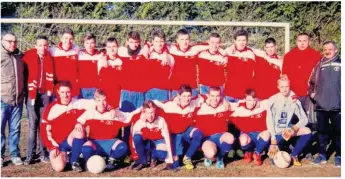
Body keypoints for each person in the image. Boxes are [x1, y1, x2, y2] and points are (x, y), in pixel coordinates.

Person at [79, 89, 140, 170]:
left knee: (123, 147)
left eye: (104, 100)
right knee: (86, 149)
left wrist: (142, 109)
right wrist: (78, 124)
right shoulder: (89, 113)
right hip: (95, 142)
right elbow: (78, 122)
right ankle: (89, 162)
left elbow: (129, 116)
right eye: (99, 100)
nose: (102, 103)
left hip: (111, 142)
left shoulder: (114, 113)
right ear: (95, 101)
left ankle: (112, 160)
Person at [40, 81, 89, 172]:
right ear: (58, 92)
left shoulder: (78, 103)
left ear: (71, 92)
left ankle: (73, 161)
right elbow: (44, 131)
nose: (65, 95)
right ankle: (67, 155)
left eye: (68, 92)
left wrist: (80, 122)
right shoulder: (51, 107)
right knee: (59, 168)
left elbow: (97, 104)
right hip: (57, 144)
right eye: (62, 92)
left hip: (71, 139)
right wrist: (52, 147)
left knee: (79, 129)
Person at [153, 85, 204, 170]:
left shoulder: (193, 103)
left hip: (187, 131)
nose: (187, 99)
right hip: (174, 134)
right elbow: (154, 103)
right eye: (184, 96)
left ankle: (187, 157)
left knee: (199, 134)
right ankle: (153, 154)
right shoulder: (169, 105)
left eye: (189, 96)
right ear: (178, 96)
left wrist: (224, 102)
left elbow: (204, 96)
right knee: (175, 165)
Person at [266, 75, 312, 166]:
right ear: (278, 87)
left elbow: (304, 119)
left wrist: (293, 128)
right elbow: (269, 121)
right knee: (274, 160)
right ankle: (277, 148)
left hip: (288, 132)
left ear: (289, 86)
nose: (285, 89)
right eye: (282, 87)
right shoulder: (272, 100)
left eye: (287, 86)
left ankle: (294, 155)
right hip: (276, 134)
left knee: (307, 131)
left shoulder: (294, 99)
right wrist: (273, 140)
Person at [309, 41, 341, 167]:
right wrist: (313, 95)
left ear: (336, 50)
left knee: (339, 132)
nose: (327, 51)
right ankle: (322, 155)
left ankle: (339, 155)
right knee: (322, 131)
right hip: (321, 105)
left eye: (330, 49)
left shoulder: (341, 63)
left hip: (338, 105)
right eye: (325, 49)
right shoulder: (319, 64)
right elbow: (311, 82)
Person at [23, 35, 54, 165]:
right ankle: (30, 154)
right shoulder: (28, 56)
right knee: (32, 125)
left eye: (45, 45)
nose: (43, 47)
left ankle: (44, 153)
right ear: (35, 46)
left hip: (45, 94)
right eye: (40, 45)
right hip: (32, 94)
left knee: (43, 124)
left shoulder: (49, 58)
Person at [1, 32, 25, 166]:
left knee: (15, 129)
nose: (13, 44)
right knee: (0, 129)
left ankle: (15, 154)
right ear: (3, 41)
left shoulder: (19, 55)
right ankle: (0, 155)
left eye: (15, 41)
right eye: (9, 41)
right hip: (2, 99)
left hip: (18, 100)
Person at [195, 87, 234, 169]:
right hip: (208, 138)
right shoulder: (201, 106)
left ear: (221, 96)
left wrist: (224, 100)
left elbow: (241, 105)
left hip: (221, 136)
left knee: (230, 138)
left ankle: (220, 157)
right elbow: (191, 99)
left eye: (217, 96)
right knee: (210, 153)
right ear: (208, 96)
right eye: (212, 96)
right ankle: (207, 156)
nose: (215, 99)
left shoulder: (225, 106)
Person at [229, 89, 270, 166]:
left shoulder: (262, 105)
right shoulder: (239, 109)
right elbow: (226, 108)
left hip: (259, 135)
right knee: (243, 140)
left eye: (254, 99)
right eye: (249, 100)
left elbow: (274, 100)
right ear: (244, 99)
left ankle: (257, 153)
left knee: (267, 134)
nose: (252, 102)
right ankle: (249, 151)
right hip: (248, 135)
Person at [282, 33, 321, 112]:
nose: (302, 43)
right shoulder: (289, 56)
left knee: (309, 121)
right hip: (293, 94)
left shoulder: (316, 55)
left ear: (308, 42)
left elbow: (319, 76)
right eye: (300, 41)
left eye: (304, 41)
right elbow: (284, 76)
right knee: (293, 119)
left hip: (309, 95)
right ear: (296, 42)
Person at [131, 100, 174, 170]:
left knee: (162, 155)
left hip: (158, 140)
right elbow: (134, 141)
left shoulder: (161, 120)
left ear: (155, 111)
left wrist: (169, 160)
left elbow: (167, 138)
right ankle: (143, 161)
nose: (150, 116)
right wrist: (137, 156)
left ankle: (153, 157)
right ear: (143, 112)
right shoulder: (139, 122)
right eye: (148, 113)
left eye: (152, 113)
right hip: (147, 142)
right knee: (137, 137)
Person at [167, 29, 208, 98]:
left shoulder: (194, 50)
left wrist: (221, 50)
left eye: (187, 39)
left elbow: (211, 45)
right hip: (176, 89)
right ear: (177, 41)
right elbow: (154, 45)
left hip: (192, 88)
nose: (185, 42)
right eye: (182, 39)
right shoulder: (172, 49)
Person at [224, 29, 256, 102]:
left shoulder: (251, 54)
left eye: (244, 40)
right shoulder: (228, 52)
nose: (241, 43)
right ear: (235, 41)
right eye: (239, 40)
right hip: (230, 93)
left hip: (245, 95)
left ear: (247, 41)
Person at [144, 29, 175, 102]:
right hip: (148, 91)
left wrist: (165, 54)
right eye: (157, 41)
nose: (159, 44)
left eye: (161, 41)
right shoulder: (148, 53)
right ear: (153, 42)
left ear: (164, 42)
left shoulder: (169, 57)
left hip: (162, 92)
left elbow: (171, 73)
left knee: (161, 113)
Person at [49, 28, 80, 97]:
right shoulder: (53, 51)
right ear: (61, 39)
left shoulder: (76, 49)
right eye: (66, 38)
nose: (68, 41)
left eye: (70, 39)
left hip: (73, 89)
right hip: (58, 89)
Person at [77, 32, 103, 99]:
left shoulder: (100, 55)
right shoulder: (79, 54)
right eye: (87, 43)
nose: (90, 45)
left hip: (94, 89)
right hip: (81, 89)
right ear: (84, 44)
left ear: (95, 43)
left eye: (92, 43)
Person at [99, 37, 122, 108]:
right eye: (109, 47)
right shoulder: (101, 61)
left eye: (114, 46)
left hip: (118, 98)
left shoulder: (122, 61)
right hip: (105, 98)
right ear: (106, 48)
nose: (112, 49)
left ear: (118, 47)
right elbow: (98, 78)